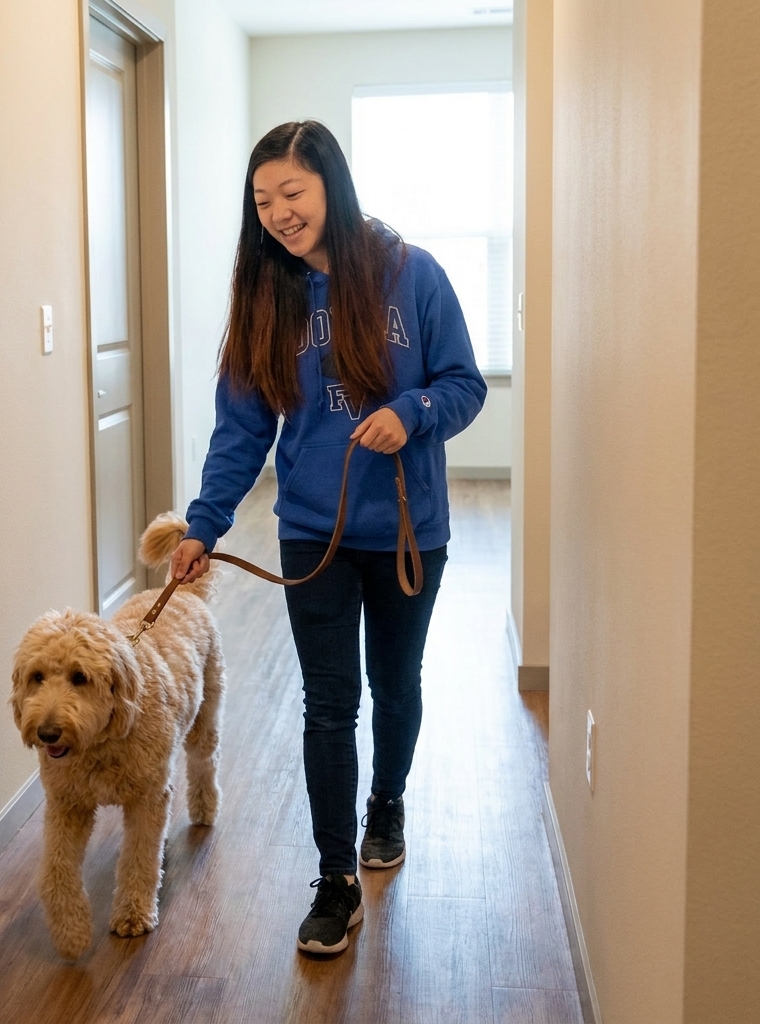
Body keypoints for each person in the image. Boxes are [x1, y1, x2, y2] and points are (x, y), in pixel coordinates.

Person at [169, 120, 486, 955]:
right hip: (312, 530)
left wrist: (411, 413)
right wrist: (204, 525)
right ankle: (336, 878)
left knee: (396, 681)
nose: (277, 212)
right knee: (328, 703)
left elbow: (463, 384)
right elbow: (240, 431)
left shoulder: (411, 275)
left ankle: (388, 800)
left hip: (408, 530)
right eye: (263, 200)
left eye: (292, 194)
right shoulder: (264, 298)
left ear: (331, 188)